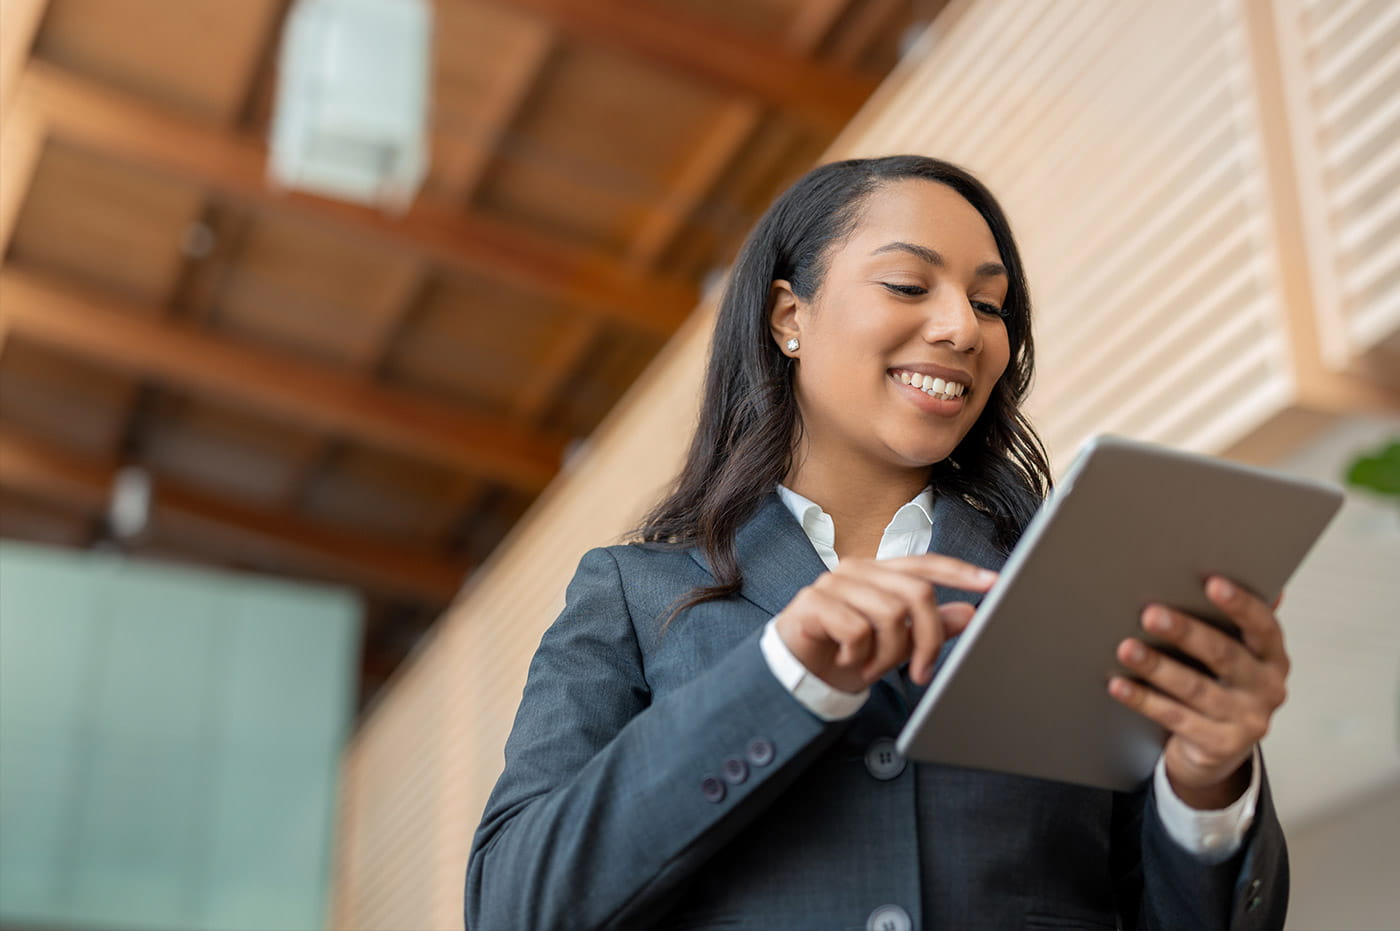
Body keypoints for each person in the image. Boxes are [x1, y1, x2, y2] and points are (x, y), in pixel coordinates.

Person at [464, 156, 1289, 930]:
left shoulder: (1070, 586)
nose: (963, 328)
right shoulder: (633, 593)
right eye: (908, 283)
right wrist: (783, 674)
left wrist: (1207, 781)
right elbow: (513, 902)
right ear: (791, 316)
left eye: (991, 303)